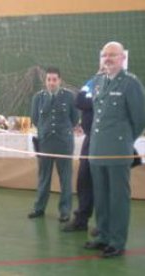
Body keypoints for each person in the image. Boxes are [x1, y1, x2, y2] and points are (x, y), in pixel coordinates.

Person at [84, 41, 145, 258]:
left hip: (118, 150)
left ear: (122, 58)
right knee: (101, 197)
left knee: (118, 198)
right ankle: (103, 235)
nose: (108, 58)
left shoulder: (130, 83)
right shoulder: (99, 81)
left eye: (112, 55)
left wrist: (124, 140)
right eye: (105, 55)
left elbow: (139, 119)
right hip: (97, 149)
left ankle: (117, 241)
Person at [28, 67, 79, 222]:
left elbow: (75, 119)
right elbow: (35, 119)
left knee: (65, 179)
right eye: (49, 79)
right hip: (45, 143)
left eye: (54, 79)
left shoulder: (69, 97)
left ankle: (65, 211)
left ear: (59, 80)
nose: (51, 82)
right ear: (46, 81)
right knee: (43, 178)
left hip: (64, 143)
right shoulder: (38, 97)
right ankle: (39, 208)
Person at [62, 65, 106, 232]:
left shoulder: (117, 87)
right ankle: (81, 220)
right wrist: (95, 100)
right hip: (90, 139)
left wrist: (92, 101)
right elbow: (79, 101)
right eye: (101, 69)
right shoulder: (91, 82)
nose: (102, 72)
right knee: (84, 179)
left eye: (106, 70)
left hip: (106, 141)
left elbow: (101, 104)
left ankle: (104, 225)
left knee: (103, 183)